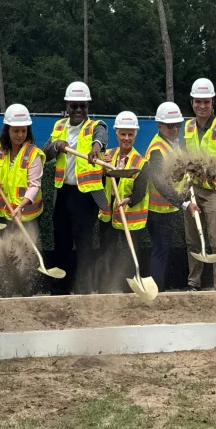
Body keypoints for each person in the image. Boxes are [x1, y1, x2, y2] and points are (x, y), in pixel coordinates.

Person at [43, 81, 108, 295]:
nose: (78, 110)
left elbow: (102, 135)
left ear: (88, 106)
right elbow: (46, 153)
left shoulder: (93, 126)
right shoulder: (59, 127)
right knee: (62, 242)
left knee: (84, 245)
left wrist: (96, 147)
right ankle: (61, 289)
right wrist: (56, 146)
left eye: (83, 106)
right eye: (74, 106)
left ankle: (84, 288)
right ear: (67, 105)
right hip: (63, 193)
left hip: (85, 196)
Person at [0, 104, 46, 295]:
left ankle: (27, 294)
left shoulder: (33, 154)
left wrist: (20, 206)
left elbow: (34, 185)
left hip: (26, 216)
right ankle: (7, 293)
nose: (19, 134)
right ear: (7, 130)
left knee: (25, 256)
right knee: (7, 255)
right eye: (15, 130)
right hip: (4, 214)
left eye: (23, 130)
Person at [181, 78, 216, 291]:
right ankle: (193, 283)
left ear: (213, 102)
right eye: (198, 102)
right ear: (192, 102)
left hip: (215, 192)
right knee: (193, 239)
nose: (202, 106)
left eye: (206, 102)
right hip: (193, 188)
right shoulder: (187, 127)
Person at [97, 111, 149, 293]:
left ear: (135, 135)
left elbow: (141, 190)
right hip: (108, 216)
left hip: (130, 218)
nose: (126, 138)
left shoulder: (140, 162)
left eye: (130, 134)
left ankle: (128, 290)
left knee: (129, 255)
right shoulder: (108, 157)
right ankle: (104, 288)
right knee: (106, 253)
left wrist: (129, 200)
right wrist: (102, 169)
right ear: (116, 134)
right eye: (123, 134)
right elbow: (97, 182)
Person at [143, 102, 191, 291]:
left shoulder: (174, 146)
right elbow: (159, 182)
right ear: (159, 126)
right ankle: (157, 291)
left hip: (169, 208)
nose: (174, 129)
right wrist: (183, 202)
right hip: (158, 210)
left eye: (177, 124)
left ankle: (160, 288)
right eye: (170, 125)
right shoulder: (157, 149)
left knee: (164, 251)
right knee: (160, 252)